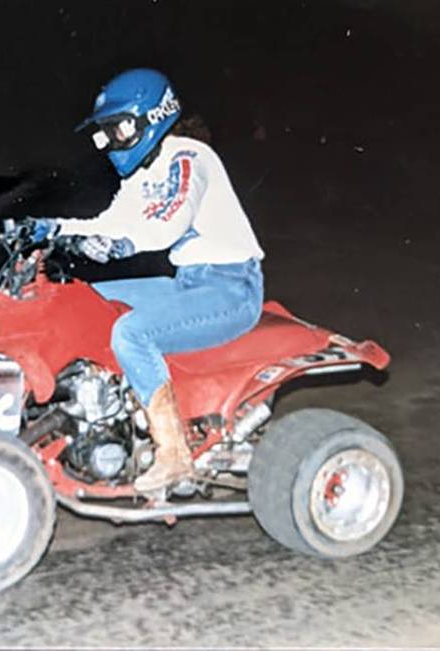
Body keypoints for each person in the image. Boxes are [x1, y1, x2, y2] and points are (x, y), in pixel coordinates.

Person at [30, 68, 265, 493]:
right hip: (188, 283)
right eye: (104, 134)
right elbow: (107, 221)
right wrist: (50, 227)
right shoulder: (141, 176)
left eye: (117, 129)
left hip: (231, 288)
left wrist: (118, 246)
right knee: (84, 302)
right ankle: (95, 415)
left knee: (132, 333)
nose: (111, 142)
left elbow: (168, 222)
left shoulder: (189, 157)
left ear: (151, 117)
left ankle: (174, 454)